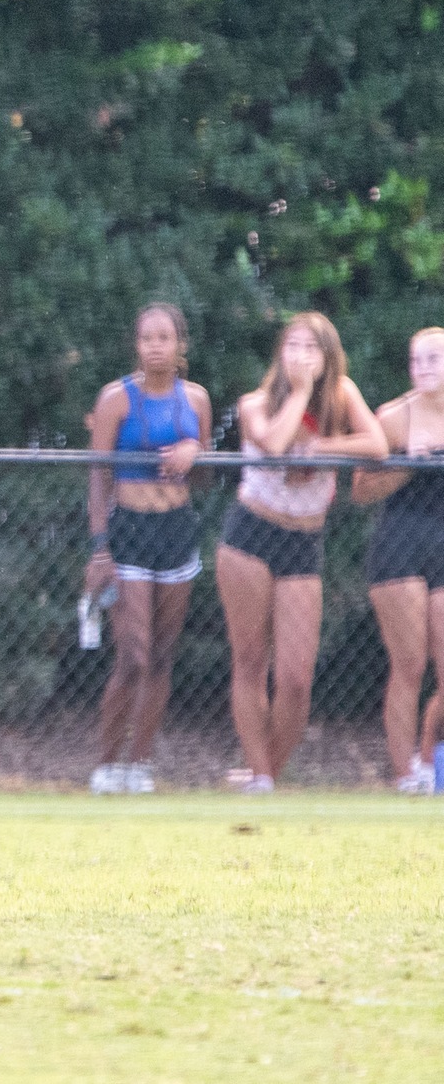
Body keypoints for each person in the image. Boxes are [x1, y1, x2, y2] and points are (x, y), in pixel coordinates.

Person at [215, 311, 387, 792]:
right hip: (251, 535)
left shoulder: (343, 396)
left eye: (311, 347)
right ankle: (263, 779)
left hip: (303, 542)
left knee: (295, 678)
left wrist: (324, 444)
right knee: (250, 660)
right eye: (292, 345)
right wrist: (299, 393)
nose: (300, 355)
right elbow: (271, 443)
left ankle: (263, 769)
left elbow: (376, 445)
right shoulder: (255, 402)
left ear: (328, 355)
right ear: (279, 354)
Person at [81, 304, 212, 795]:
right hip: (129, 532)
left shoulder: (194, 400)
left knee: (161, 657)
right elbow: (97, 477)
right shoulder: (117, 399)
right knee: (133, 656)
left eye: (165, 337)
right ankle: (106, 763)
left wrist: (194, 453)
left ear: (181, 346)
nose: (156, 346)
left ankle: (140, 764)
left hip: (177, 530)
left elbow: (204, 477)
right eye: (146, 338)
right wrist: (100, 547)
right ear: (136, 344)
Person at [350, 327, 444, 791]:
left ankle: (429, 762)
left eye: (434, 359)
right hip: (400, 546)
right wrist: (407, 463)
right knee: (409, 665)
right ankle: (406, 776)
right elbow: (360, 490)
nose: (424, 368)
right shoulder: (392, 418)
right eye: (417, 359)